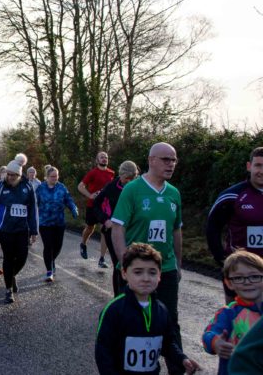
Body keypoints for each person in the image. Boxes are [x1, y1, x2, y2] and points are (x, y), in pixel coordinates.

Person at [111, 142, 185, 375]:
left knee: (170, 321)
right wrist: (126, 262)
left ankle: (178, 368)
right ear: (151, 160)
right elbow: (118, 228)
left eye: (173, 160)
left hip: (166, 268)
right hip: (137, 269)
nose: (170, 164)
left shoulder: (174, 193)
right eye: (166, 159)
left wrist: (178, 265)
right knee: (132, 322)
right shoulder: (132, 190)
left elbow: (176, 230)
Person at [95, 243, 200, 375]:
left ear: (159, 275)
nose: (146, 278)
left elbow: (168, 343)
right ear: (124, 273)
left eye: (152, 272)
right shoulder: (114, 310)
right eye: (138, 272)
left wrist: (182, 358)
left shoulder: (161, 310)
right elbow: (103, 352)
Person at [206, 146, 263, 304]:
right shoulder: (232, 195)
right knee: (238, 320)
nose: (262, 171)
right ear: (249, 166)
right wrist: (222, 261)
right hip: (241, 271)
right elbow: (212, 228)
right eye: (258, 165)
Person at [0, 153, 39, 304]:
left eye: (13, 175)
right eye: (8, 174)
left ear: (19, 175)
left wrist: (34, 231)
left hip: (22, 229)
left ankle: (11, 275)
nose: (10, 177)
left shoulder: (27, 187)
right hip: (4, 229)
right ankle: (8, 290)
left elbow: (33, 210)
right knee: (8, 258)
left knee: (22, 257)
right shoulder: (0, 188)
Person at [202, 250, 263, 375]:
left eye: (255, 276)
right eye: (239, 278)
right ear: (229, 283)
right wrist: (216, 342)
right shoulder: (228, 313)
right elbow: (208, 334)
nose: (247, 281)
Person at [93, 160, 140, 295]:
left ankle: (134, 296)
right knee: (119, 265)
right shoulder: (111, 187)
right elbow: (96, 205)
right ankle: (119, 299)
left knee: (134, 265)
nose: (129, 182)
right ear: (121, 175)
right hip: (112, 232)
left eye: (132, 179)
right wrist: (105, 220)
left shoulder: (139, 188)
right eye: (126, 179)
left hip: (132, 232)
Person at [35, 166, 78, 282]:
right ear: (47, 177)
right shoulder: (40, 188)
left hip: (59, 222)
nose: (55, 178)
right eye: (52, 176)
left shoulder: (61, 187)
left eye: (56, 176)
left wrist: (73, 209)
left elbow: (68, 200)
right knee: (48, 246)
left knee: (58, 246)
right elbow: (34, 204)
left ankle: (51, 260)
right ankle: (49, 271)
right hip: (44, 223)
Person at [78, 151, 115, 268]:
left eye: (106, 157)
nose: (104, 159)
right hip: (93, 205)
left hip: (106, 207)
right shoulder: (93, 173)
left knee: (105, 230)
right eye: (102, 157)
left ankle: (102, 258)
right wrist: (90, 195)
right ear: (97, 160)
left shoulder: (111, 173)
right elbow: (80, 186)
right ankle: (83, 244)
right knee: (90, 228)